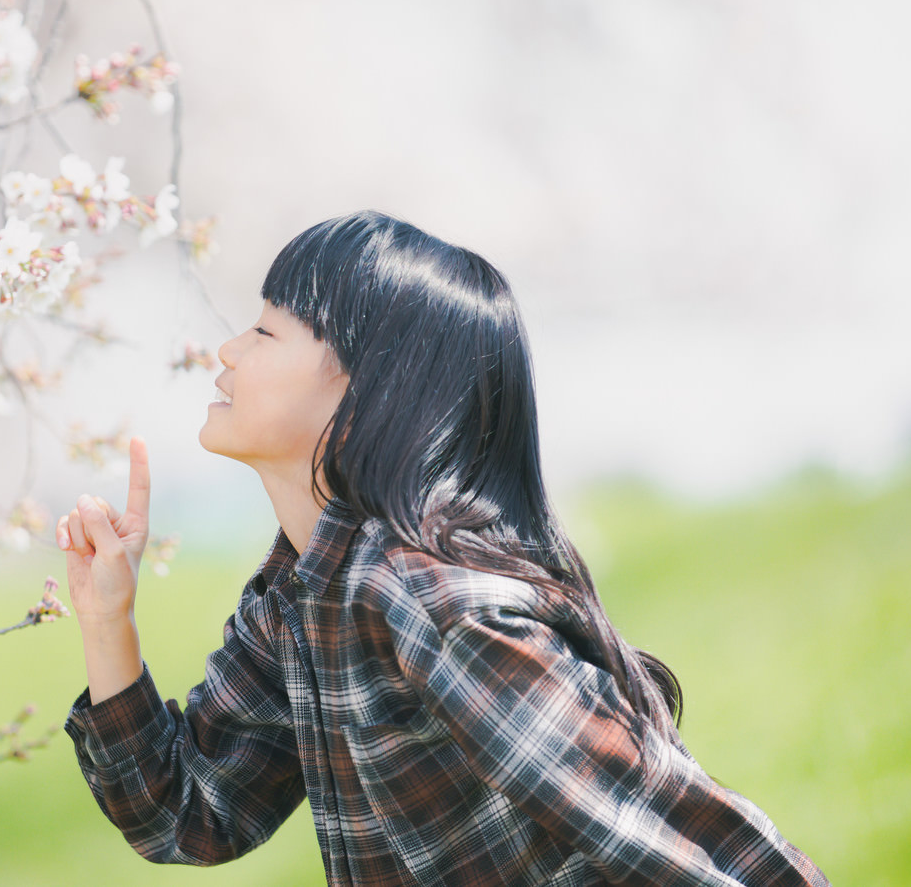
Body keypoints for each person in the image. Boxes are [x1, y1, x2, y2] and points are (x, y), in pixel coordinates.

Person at [56, 210, 829, 886]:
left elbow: (661, 836)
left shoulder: (428, 601)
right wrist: (107, 622)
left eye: (264, 330)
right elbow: (188, 816)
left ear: (368, 390)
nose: (225, 351)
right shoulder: (297, 604)